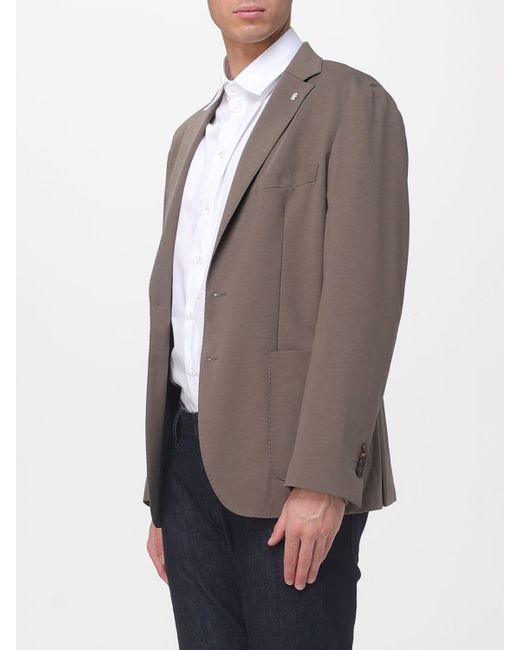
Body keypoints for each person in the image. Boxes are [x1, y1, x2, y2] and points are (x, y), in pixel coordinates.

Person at [144, 1, 409, 648]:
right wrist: (163, 497)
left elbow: (362, 304)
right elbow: (181, 310)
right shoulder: (190, 137)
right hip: (186, 467)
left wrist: (323, 479)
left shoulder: (352, 105)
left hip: (291, 470)